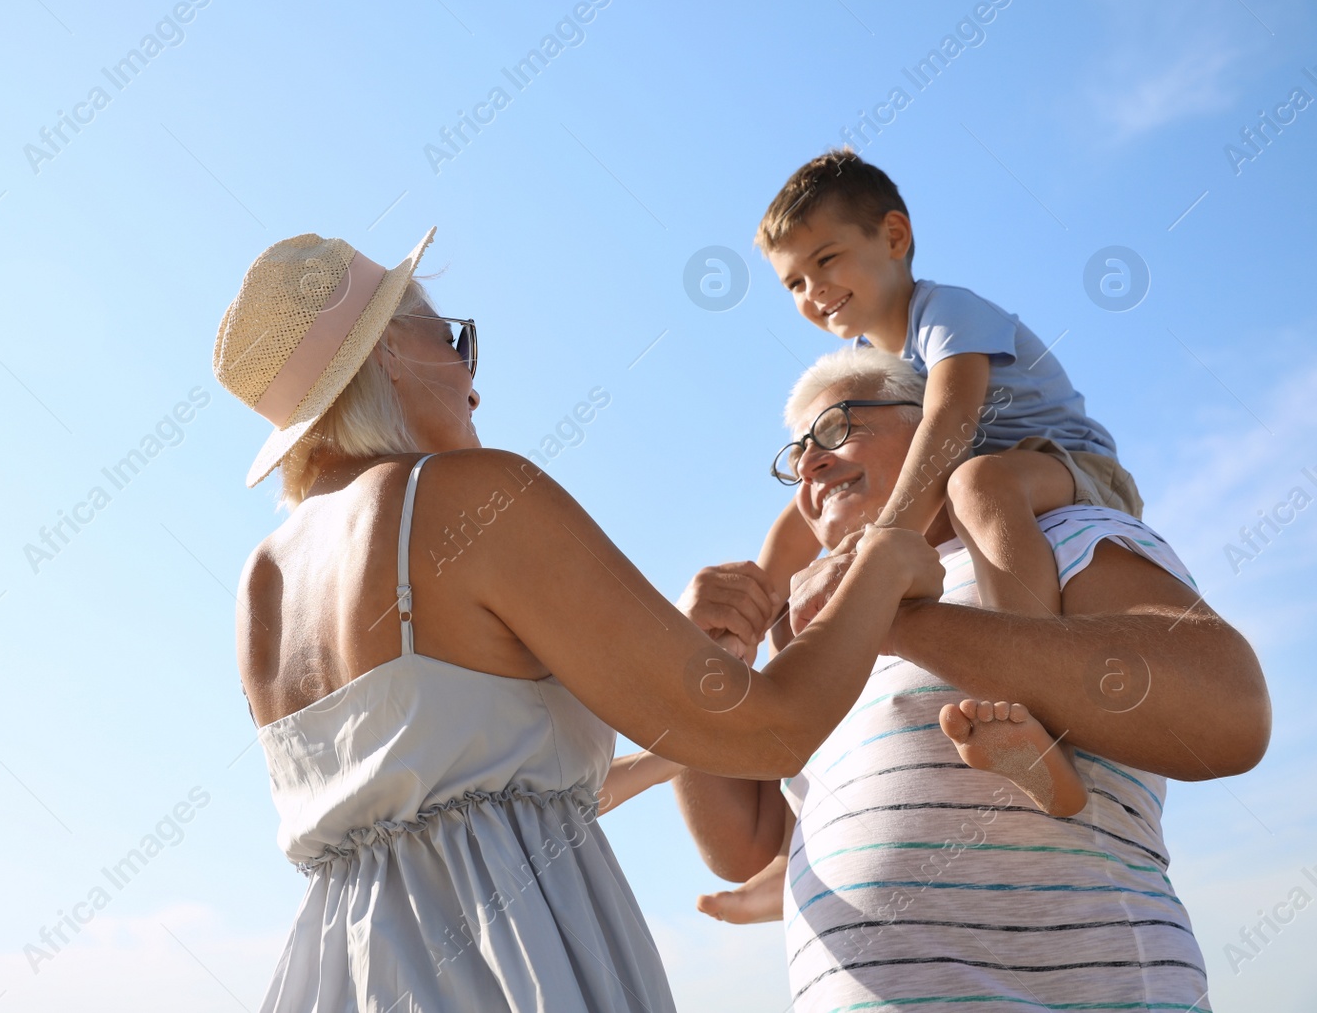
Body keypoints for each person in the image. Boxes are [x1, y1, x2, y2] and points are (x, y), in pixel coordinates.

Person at [212, 230, 943, 1012]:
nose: (473, 384)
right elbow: (775, 730)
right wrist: (886, 563)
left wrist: (671, 690)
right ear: (389, 353)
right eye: (454, 340)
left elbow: (465, 792)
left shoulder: (262, 583)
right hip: (509, 961)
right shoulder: (470, 494)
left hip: (335, 972)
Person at [672, 346, 1270, 1011]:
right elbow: (743, 846)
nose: (811, 461)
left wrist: (896, 617)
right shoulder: (804, 636)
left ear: (929, 428)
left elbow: (1229, 709)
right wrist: (696, 653)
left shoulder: (1050, 536)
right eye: (797, 456)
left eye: (840, 427)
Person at [755, 149, 1146, 817]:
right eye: (793, 283)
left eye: (825, 260)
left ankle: (1036, 706)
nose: (812, 291)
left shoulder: (946, 313)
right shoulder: (860, 362)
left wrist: (882, 550)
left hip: (1073, 465)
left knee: (975, 482)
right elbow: (807, 504)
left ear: (895, 237)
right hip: (991, 472)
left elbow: (950, 421)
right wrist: (761, 597)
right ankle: (807, 818)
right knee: (883, 514)